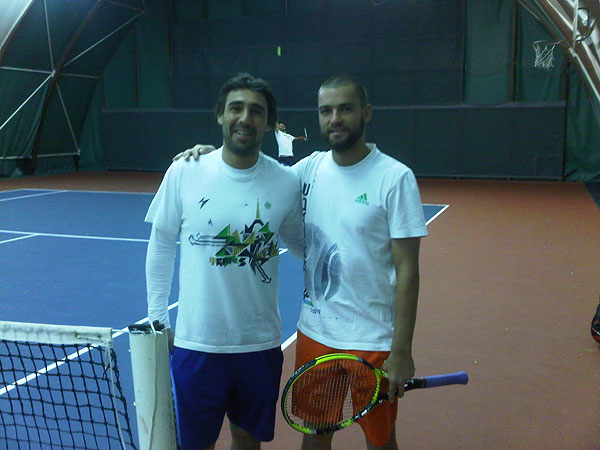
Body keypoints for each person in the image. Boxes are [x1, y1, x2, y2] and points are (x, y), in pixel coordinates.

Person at [175, 74, 428, 450]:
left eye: (345, 109)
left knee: (380, 441)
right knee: (314, 437)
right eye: (326, 111)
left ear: (366, 112)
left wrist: (402, 350)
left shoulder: (395, 177)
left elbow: (408, 269)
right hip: (315, 335)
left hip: (372, 339)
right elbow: (253, 173)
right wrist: (209, 157)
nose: (335, 119)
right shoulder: (307, 170)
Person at [145, 72, 303, 450]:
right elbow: (161, 244)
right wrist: (158, 319)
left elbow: (303, 246)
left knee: (247, 440)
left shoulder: (286, 182)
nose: (245, 118)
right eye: (236, 108)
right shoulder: (184, 171)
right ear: (220, 115)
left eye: (256, 111)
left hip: (259, 344)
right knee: (195, 444)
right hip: (197, 343)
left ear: (268, 122)